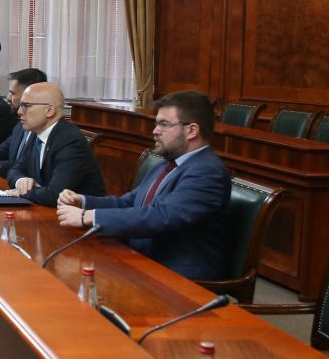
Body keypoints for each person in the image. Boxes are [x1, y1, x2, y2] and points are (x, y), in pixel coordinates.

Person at [57, 89, 231, 280]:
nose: (155, 131)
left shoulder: (207, 171)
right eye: (156, 124)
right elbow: (131, 202)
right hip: (142, 257)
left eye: (164, 124)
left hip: (177, 276)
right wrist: (83, 202)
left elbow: (163, 216)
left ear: (191, 130)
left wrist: (88, 216)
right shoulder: (167, 163)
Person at [0, 82, 103, 206]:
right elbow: (15, 169)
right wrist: (20, 180)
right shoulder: (37, 135)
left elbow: (55, 194)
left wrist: (24, 192)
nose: (19, 111)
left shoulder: (69, 140)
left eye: (26, 105)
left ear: (49, 110)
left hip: (81, 226)